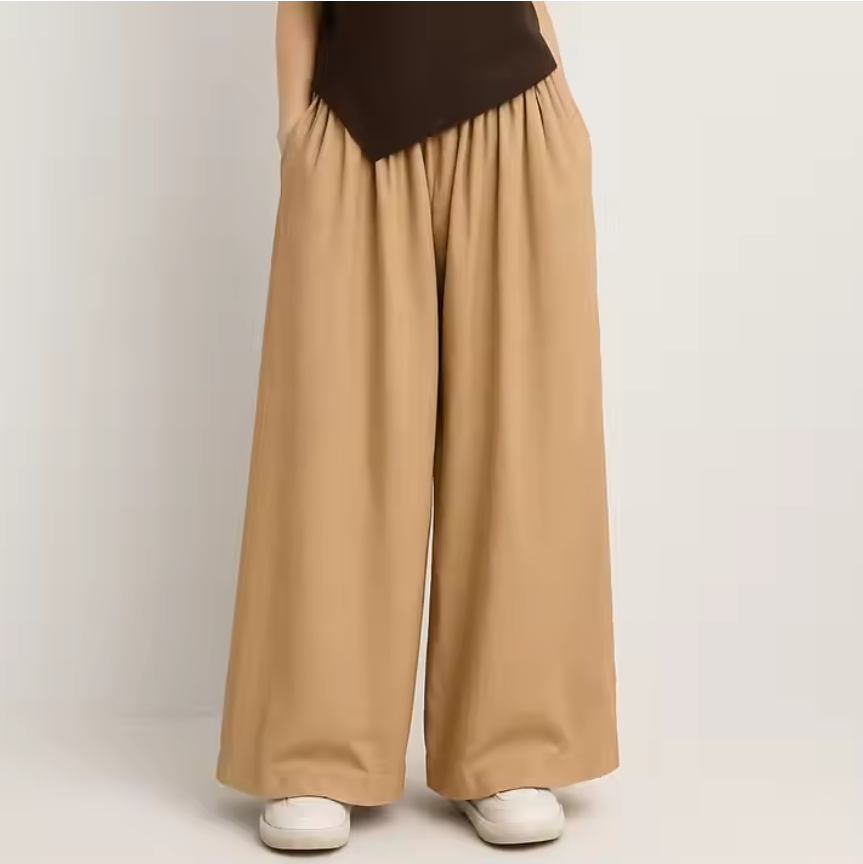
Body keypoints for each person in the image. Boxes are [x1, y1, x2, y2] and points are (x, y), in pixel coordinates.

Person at [217, 2, 618, 850]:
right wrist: (295, 133)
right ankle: (315, 753)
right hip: (353, 126)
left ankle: (509, 747)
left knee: (519, 444)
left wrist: (564, 110)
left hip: (516, 117)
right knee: (332, 444)